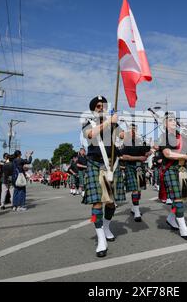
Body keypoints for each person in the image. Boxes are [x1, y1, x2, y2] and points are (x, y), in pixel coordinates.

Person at [82, 95, 125, 257]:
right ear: (94, 109)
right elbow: (90, 135)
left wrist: (125, 134)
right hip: (95, 164)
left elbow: (123, 137)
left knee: (112, 204)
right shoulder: (88, 123)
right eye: (99, 106)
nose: (102, 108)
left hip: (111, 166)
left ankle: (106, 226)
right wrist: (108, 122)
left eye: (104, 106)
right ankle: (101, 239)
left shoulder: (113, 124)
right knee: (97, 203)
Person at [159, 112, 187, 240]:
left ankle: (171, 218)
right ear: (164, 123)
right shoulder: (163, 136)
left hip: (182, 169)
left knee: (181, 198)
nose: (173, 122)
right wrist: (185, 156)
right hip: (170, 169)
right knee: (177, 199)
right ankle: (183, 228)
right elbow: (167, 154)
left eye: (174, 120)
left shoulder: (181, 136)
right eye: (170, 120)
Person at [120, 124, 151, 222]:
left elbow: (145, 152)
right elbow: (124, 156)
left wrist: (149, 152)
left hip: (139, 167)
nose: (133, 132)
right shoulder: (125, 142)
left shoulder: (139, 142)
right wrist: (139, 158)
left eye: (135, 129)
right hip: (130, 166)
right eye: (131, 130)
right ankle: (137, 213)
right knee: (135, 189)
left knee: (139, 189)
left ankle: (134, 207)